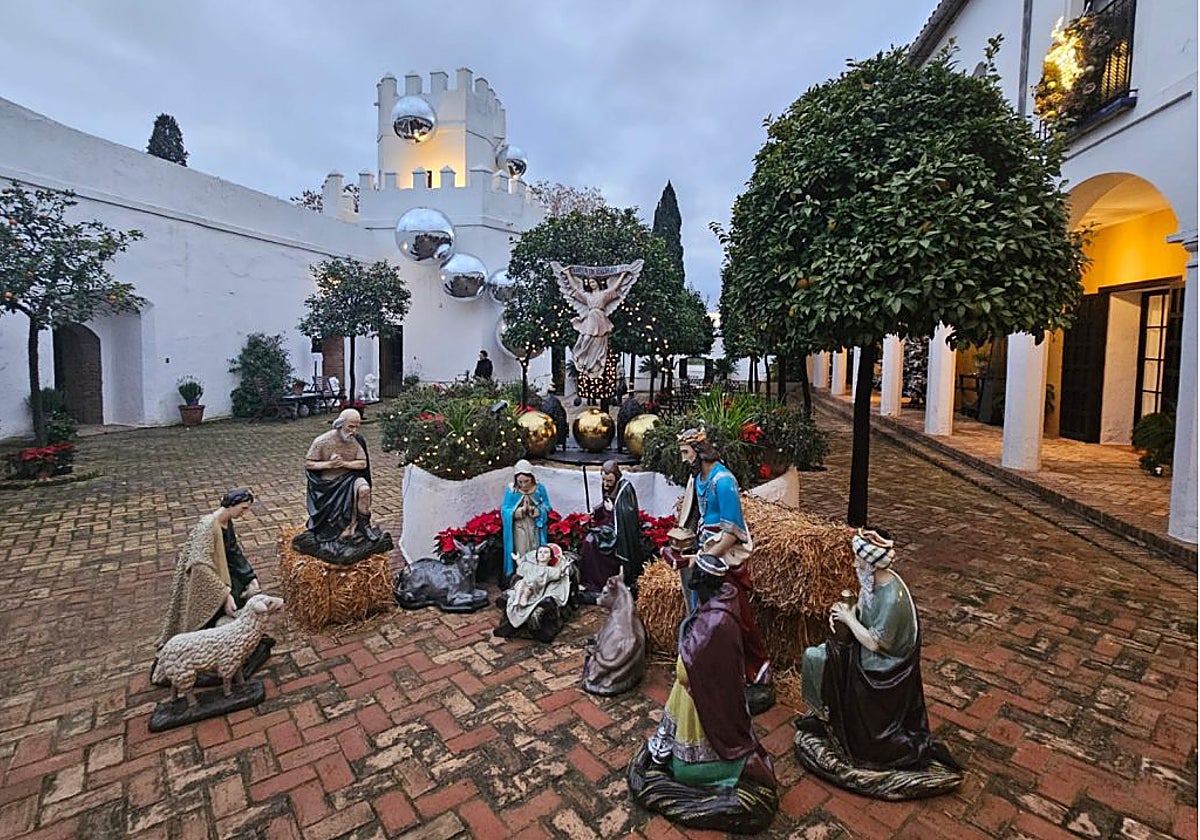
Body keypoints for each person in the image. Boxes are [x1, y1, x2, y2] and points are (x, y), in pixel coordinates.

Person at [800, 527, 955, 771]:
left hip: (886, 665)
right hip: (871, 649)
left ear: (870, 564)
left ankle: (835, 720)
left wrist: (849, 620)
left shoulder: (893, 597)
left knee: (827, 660)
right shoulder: (870, 583)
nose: (853, 563)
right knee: (818, 654)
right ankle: (825, 715)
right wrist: (843, 616)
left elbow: (875, 643)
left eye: (858, 560)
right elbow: (862, 613)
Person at [646, 555, 776, 788]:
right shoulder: (719, 603)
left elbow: (696, 658)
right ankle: (666, 749)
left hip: (705, 694)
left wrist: (686, 658)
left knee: (684, 770)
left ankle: (739, 767)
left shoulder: (717, 621)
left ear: (706, 584)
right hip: (695, 689)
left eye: (698, 583)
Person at [664, 428, 770, 692]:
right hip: (706, 550)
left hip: (725, 558)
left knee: (737, 616)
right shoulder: (698, 478)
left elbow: (733, 530)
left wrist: (705, 558)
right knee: (706, 615)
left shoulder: (723, 481)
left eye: (686, 453)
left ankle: (755, 668)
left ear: (699, 452)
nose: (683, 458)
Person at [155, 487, 261, 648]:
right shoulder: (207, 527)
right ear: (232, 504)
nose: (244, 513)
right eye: (243, 508)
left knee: (244, 591)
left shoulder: (226, 522)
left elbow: (233, 551)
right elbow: (200, 566)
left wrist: (250, 577)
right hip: (207, 578)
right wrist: (224, 594)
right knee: (226, 605)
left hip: (221, 571)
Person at [293, 408, 391, 564]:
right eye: (350, 426)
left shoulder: (356, 441)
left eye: (357, 426)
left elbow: (362, 463)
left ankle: (363, 526)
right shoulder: (322, 441)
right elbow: (309, 463)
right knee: (335, 515)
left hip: (351, 478)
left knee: (364, 490)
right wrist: (329, 464)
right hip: (328, 484)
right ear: (340, 424)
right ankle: (339, 532)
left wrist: (345, 464)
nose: (354, 431)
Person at [578, 460, 648, 601]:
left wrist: (614, 510)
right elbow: (605, 504)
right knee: (588, 540)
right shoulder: (607, 486)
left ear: (616, 476)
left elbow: (628, 514)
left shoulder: (625, 489)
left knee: (593, 542)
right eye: (604, 480)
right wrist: (596, 510)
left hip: (619, 529)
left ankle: (605, 582)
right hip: (607, 525)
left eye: (609, 480)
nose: (606, 484)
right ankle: (592, 583)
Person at [493, 543, 576, 642]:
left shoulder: (548, 571)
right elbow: (521, 566)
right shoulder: (530, 566)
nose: (542, 554)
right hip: (522, 586)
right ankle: (518, 599)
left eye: (546, 553)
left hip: (535, 591)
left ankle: (523, 598)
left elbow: (560, 574)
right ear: (536, 556)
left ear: (550, 558)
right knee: (520, 583)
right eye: (540, 552)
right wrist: (517, 559)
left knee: (527, 586)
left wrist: (565, 566)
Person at [500, 459, 552, 583]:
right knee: (521, 551)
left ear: (532, 478)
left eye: (526, 481)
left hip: (535, 526)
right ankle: (521, 577)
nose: (523, 485)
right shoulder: (512, 491)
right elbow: (505, 510)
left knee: (536, 550)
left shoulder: (539, 489)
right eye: (520, 482)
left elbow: (547, 506)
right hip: (519, 527)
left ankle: (536, 576)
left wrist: (538, 511)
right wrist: (518, 512)